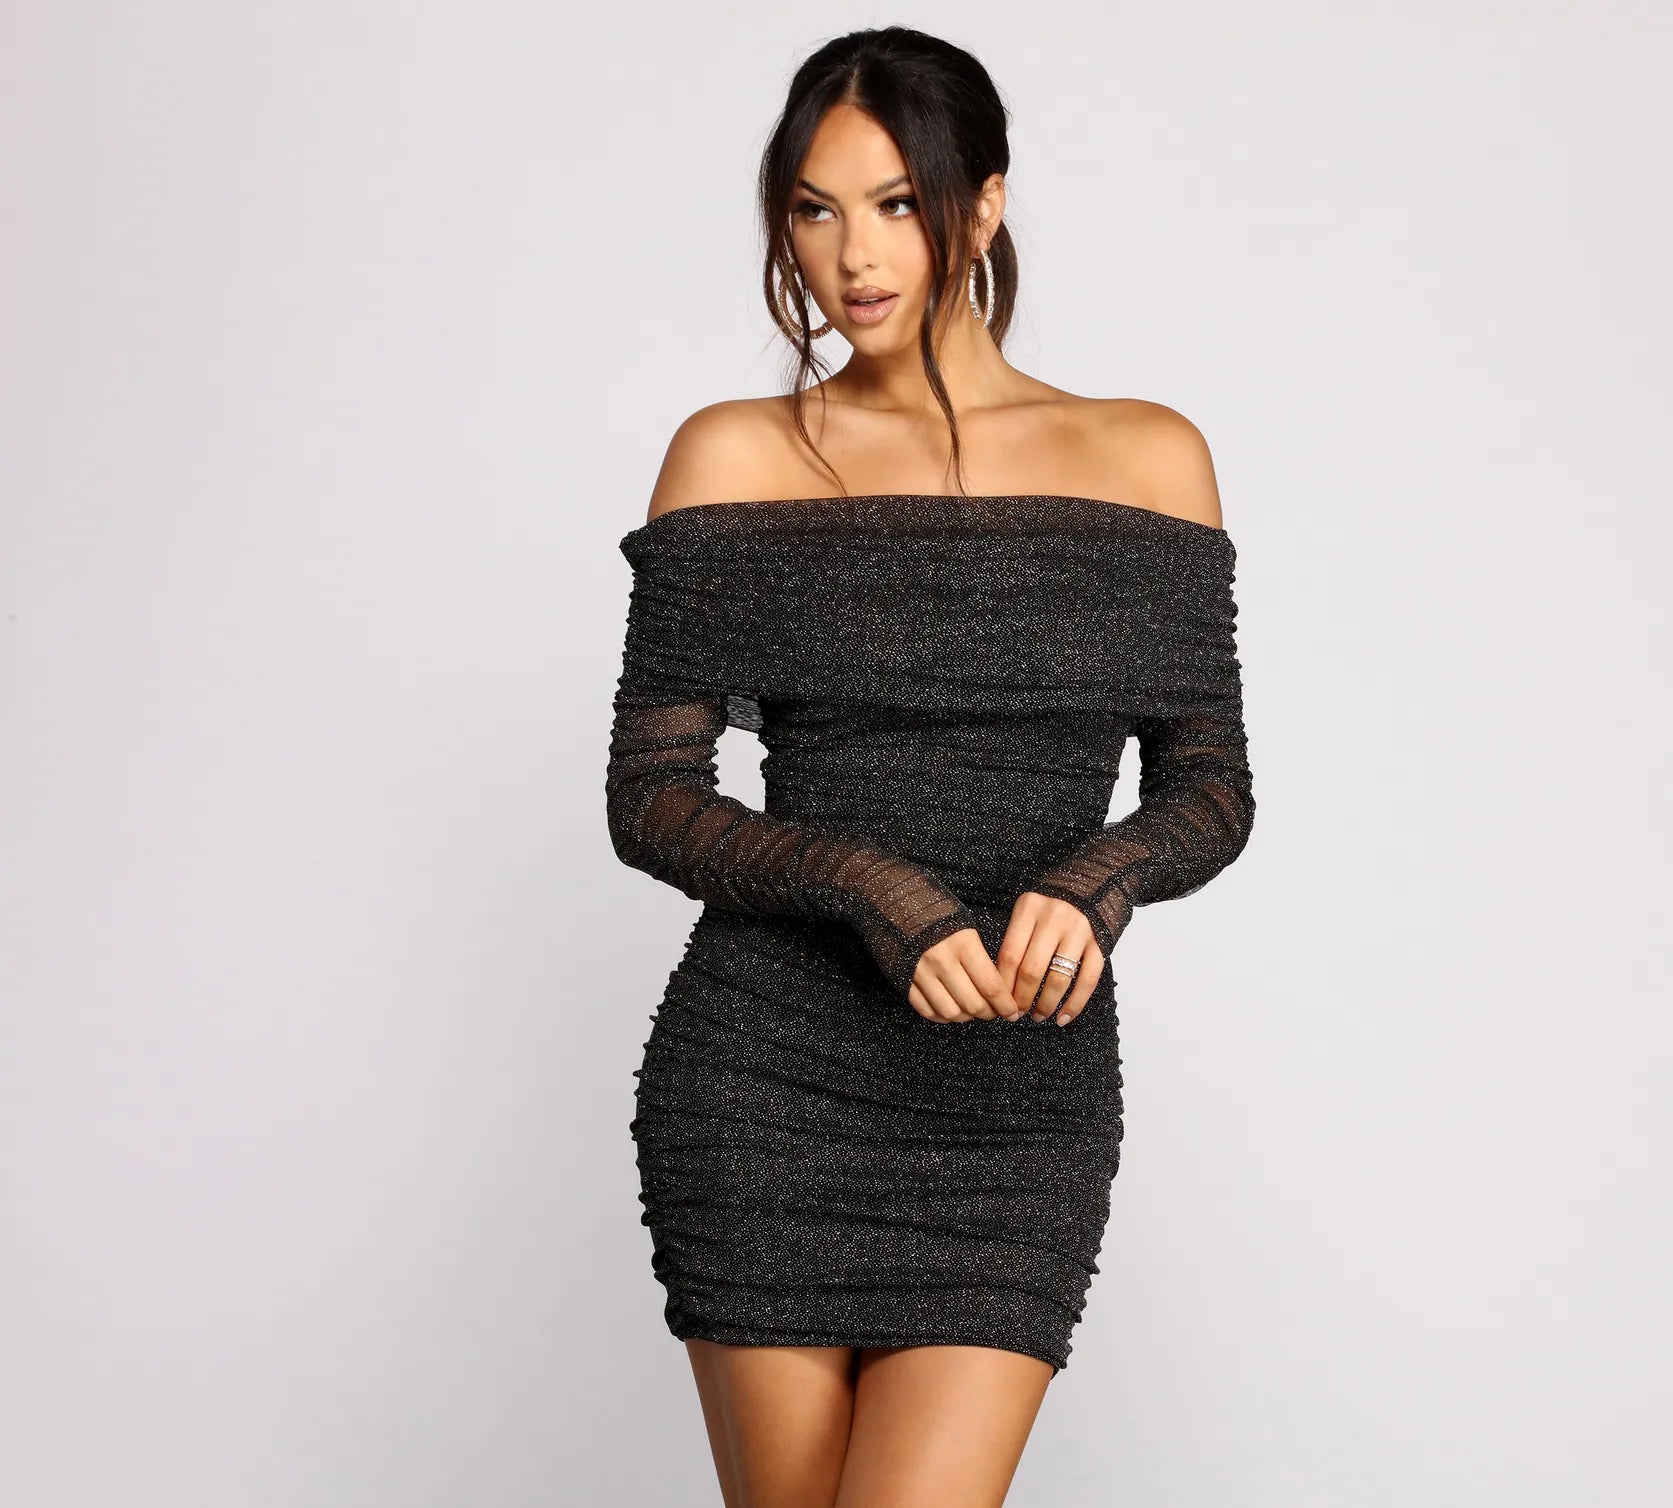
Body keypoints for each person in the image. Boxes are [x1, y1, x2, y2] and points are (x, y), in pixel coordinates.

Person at [605, 25, 1256, 1508]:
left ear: (987, 202)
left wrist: (1097, 885)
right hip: (768, 1084)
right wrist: (876, 892)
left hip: (1017, 1095)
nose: (855, 254)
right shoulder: (735, 455)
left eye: (898, 203)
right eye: (815, 209)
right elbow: (653, 796)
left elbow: (1211, 783)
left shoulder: (1147, 458)